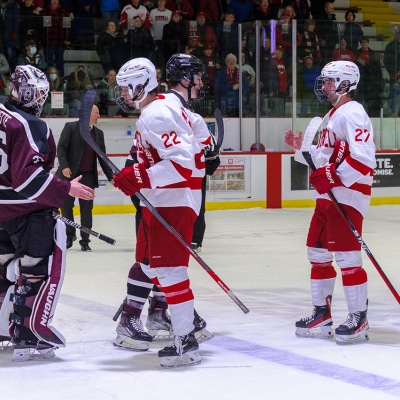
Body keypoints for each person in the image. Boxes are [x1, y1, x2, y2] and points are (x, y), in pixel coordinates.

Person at [112, 55, 212, 367]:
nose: (124, 95)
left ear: (142, 84)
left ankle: (185, 342)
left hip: (172, 202)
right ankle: (178, 329)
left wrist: (140, 176)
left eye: (127, 88)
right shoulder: (162, 110)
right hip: (165, 201)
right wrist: (138, 173)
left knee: (171, 272)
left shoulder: (156, 113)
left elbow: (181, 163)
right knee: (157, 269)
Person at [0, 65, 95, 360]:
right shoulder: (29, 125)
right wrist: (65, 189)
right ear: (25, 92)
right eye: (38, 93)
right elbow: (27, 179)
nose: (40, 98)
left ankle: (3, 328)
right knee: (35, 269)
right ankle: (28, 334)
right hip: (24, 211)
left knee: (2, 268)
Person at [284, 60, 375, 345]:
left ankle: (358, 317)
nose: (323, 86)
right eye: (324, 81)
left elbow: (364, 159)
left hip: (347, 197)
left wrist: (334, 177)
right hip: (327, 197)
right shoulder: (332, 114)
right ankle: (322, 314)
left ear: (345, 83)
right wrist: (301, 149)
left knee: (347, 256)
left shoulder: (353, 113)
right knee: (317, 252)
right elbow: (323, 158)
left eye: (329, 81)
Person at [55, 105, 113, 251]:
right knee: (66, 208)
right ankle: (69, 236)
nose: (99, 116)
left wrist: (111, 177)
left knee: (87, 210)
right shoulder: (71, 127)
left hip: (87, 176)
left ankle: (85, 241)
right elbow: (61, 148)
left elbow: (102, 157)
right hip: (69, 176)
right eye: (97, 113)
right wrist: (64, 166)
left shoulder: (98, 134)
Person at [214, 52, 250, 117]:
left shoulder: (241, 73)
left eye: (233, 61)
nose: (231, 62)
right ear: (226, 63)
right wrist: (231, 87)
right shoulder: (221, 73)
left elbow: (247, 87)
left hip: (239, 105)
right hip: (225, 104)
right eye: (229, 61)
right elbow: (217, 86)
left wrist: (240, 87)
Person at [41, 0, 71, 78]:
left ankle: (60, 78)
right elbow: (40, 28)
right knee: (48, 62)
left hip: (60, 41)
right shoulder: (44, 12)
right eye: (53, 0)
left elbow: (68, 29)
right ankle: (47, 79)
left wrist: (67, 40)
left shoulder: (64, 12)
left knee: (60, 61)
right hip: (48, 41)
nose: (55, 1)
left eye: (56, 0)